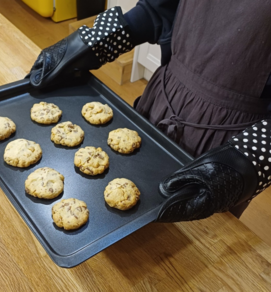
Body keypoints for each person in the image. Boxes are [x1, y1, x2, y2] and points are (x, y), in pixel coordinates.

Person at [27, 0, 271, 221]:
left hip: (233, 143)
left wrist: (248, 163)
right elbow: (159, 9)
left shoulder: (241, 154)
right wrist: (92, 42)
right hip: (162, 100)